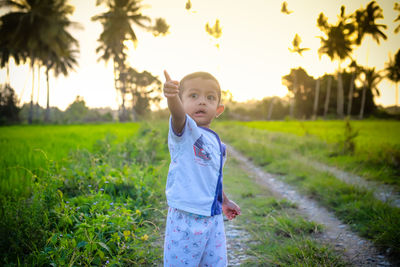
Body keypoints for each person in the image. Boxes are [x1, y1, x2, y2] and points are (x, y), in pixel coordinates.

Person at [163, 70, 241, 267]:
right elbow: (178, 115)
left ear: (218, 109)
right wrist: (172, 97)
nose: (202, 102)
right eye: (193, 95)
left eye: (210, 97)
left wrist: (224, 201)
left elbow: (212, 178)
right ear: (181, 102)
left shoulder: (218, 145)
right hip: (186, 217)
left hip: (213, 219)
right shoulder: (185, 131)